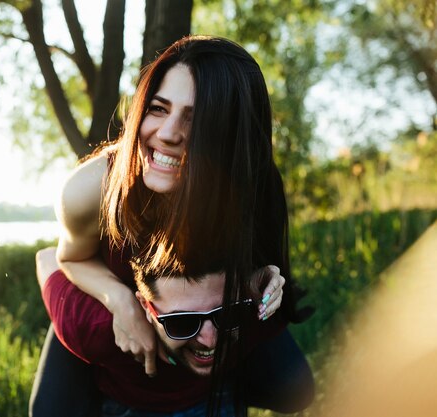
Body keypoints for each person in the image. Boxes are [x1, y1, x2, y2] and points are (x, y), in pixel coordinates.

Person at [30, 35, 314, 417]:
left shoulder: (255, 186)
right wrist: (120, 300)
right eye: (159, 109)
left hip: (200, 317)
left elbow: (251, 263)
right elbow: (69, 259)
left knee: (294, 387)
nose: (167, 134)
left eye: (195, 119)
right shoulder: (91, 187)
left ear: (232, 135)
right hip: (112, 303)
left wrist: (262, 275)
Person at [36, 246, 259, 416]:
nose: (211, 341)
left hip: (216, 393)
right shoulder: (97, 329)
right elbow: (47, 257)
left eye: (226, 314)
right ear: (145, 306)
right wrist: (116, 297)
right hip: (130, 402)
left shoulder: (258, 308)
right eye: (182, 322)